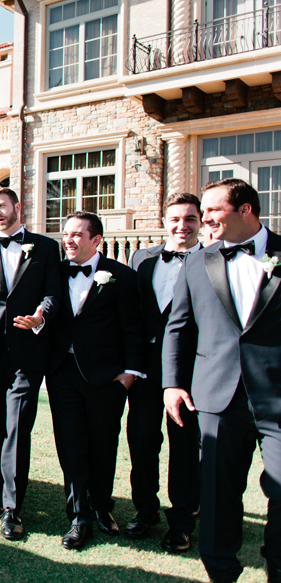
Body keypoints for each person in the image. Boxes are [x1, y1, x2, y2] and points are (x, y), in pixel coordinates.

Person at [163, 178, 281, 583]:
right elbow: (179, 327)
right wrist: (172, 384)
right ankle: (220, 572)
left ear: (245, 210)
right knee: (217, 495)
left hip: (278, 397)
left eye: (213, 210)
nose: (205, 218)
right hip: (216, 395)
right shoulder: (198, 261)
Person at [0, 186, 60, 540]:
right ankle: (0, 488)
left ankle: (12, 508)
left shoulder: (46, 247)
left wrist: (40, 316)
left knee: (17, 426)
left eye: (1, 206)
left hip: (28, 353)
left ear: (17, 207)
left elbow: (53, 293)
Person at [47, 211, 143, 549]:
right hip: (62, 373)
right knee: (70, 445)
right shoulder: (54, 273)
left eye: (76, 234)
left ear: (96, 240)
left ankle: (103, 506)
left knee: (104, 444)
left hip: (107, 377)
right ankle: (79, 516)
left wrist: (129, 376)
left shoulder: (123, 277)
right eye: (66, 234)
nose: (68, 240)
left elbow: (133, 329)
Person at [125, 193, 202, 550]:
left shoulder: (211, 260)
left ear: (200, 221)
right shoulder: (142, 257)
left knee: (185, 447)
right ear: (165, 220)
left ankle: (182, 522)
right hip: (143, 370)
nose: (181, 226)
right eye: (175, 219)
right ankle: (145, 510)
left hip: (190, 372)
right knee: (141, 441)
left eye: (189, 219)